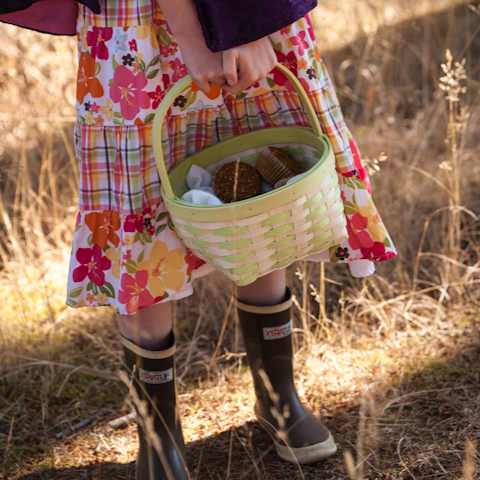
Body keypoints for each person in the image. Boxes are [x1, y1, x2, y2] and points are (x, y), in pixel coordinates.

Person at [2, 0, 397, 478]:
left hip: (239, 14)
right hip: (140, 27)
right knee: (138, 205)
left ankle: (278, 398)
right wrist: (199, 34)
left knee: (257, 176)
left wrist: (249, 20)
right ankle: (159, 434)